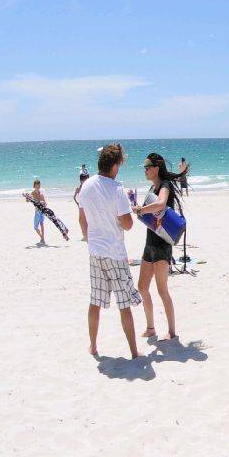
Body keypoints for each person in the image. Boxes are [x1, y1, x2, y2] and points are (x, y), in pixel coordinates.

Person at [76, 143, 141, 360]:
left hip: (95, 251)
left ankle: (93, 346)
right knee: (124, 304)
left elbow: (82, 220)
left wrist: (90, 240)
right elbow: (128, 224)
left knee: (95, 301)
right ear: (114, 165)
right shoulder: (117, 189)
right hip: (114, 252)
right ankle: (134, 352)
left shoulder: (86, 186)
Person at [133, 153, 181, 341]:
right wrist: (139, 210)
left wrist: (141, 209)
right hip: (150, 243)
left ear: (156, 168)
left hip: (162, 245)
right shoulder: (152, 188)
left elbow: (161, 204)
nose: (145, 170)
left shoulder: (165, 186)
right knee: (142, 287)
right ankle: (151, 328)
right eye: (144, 167)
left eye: (147, 167)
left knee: (162, 290)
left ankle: (172, 331)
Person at [30, 178, 49, 245]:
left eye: (39, 186)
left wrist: (43, 203)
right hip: (37, 211)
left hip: (42, 211)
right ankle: (42, 238)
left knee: (41, 224)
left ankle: (42, 239)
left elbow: (45, 203)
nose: (38, 187)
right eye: (36, 186)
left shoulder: (41, 194)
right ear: (34, 186)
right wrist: (27, 197)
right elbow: (28, 200)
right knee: (35, 227)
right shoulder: (32, 193)